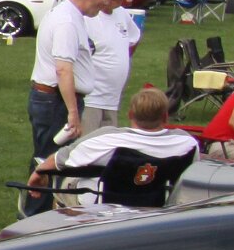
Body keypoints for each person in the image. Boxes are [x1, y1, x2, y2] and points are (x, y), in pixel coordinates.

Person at [27, 84, 196, 214]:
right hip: (156, 207)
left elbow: (59, 160)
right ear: (165, 116)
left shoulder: (107, 140)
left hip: (105, 209)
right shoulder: (186, 144)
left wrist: (39, 172)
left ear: (130, 115)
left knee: (67, 183)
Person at [28, 0, 112, 158]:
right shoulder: (67, 22)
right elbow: (63, 69)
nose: (106, 3)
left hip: (54, 99)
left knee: (48, 156)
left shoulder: (68, 15)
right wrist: (72, 113)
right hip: (56, 101)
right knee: (51, 159)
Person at [75, 0, 142, 134]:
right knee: (87, 144)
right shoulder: (87, 18)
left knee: (108, 145)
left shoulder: (121, 14)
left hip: (112, 99)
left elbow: (134, 39)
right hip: (90, 100)